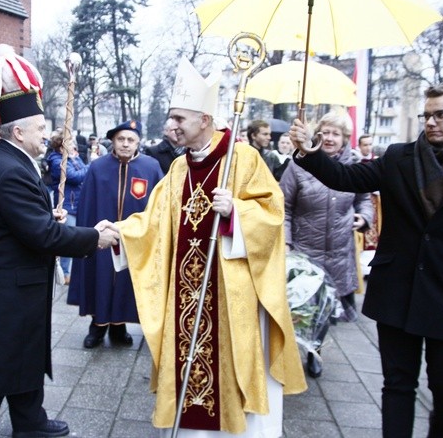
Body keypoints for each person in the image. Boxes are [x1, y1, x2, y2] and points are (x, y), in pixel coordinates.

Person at [113, 57, 306, 436]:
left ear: (204, 120)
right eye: (170, 118)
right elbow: (153, 221)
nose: (171, 126)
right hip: (188, 296)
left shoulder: (243, 159)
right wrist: (118, 232)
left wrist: (236, 212)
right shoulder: (179, 169)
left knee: (231, 372)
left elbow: (272, 214)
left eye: (179, 119)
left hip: (231, 295)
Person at [289, 82, 443, 438]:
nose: (431, 122)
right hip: (399, 287)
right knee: (397, 384)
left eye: (441, 114)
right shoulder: (400, 158)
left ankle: (439, 430)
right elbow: (345, 177)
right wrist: (311, 152)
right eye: (427, 115)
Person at [0, 44, 119, 438]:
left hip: (17, 283)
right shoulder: (9, 169)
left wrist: (47, 215)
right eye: (42, 129)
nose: (48, 135)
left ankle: (30, 422)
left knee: (23, 355)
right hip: (6, 290)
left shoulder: (12, 161)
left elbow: (29, 222)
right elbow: (41, 234)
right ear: (20, 131)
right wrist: (94, 237)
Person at [280, 111, 373, 378]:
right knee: (303, 304)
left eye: (336, 134)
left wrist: (364, 216)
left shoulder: (356, 166)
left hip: (339, 249)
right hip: (305, 248)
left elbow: (364, 198)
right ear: (318, 135)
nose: (330, 138)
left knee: (326, 306)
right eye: (326, 132)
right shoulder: (299, 165)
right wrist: (286, 243)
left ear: (345, 139)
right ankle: (295, 348)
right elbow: (283, 207)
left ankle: (315, 349)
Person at [68, 120, 163, 348]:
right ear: (113, 141)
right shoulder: (98, 167)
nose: (126, 144)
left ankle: (119, 326)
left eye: (131, 140)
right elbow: (87, 205)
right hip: (101, 239)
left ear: (138, 142)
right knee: (99, 277)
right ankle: (98, 326)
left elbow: (160, 206)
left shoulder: (151, 167)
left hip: (132, 239)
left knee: (126, 281)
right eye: (121, 139)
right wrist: (87, 236)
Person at [46, 131, 88, 285]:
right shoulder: (58, 161)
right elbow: (75, 177)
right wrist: (91, 165)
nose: (73, 145)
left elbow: (81, 170)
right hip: (67, 203)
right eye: (70, 143)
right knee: (68, 239)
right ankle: (64, 273)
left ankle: (69, 271)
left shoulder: (72, 158)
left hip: (77, 201)